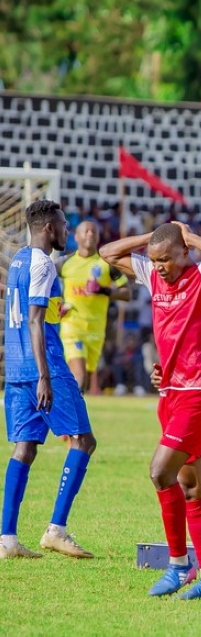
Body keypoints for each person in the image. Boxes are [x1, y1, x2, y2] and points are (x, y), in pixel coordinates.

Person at [100, 222, 201, 598]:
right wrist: (154, 238)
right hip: (172, 391)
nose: (158, 266)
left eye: (166, 259)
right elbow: (107, 253)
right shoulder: (153, 274)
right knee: (191, 485)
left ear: (184, 254)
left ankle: (178, 565)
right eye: (155, 260)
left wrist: (185, 235)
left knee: (161, 472)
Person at [2, 200, 97, 559]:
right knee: (84, 441)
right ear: (48, 229)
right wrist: (45, 375)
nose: (67, 231)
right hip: (47, 367)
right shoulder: (42, 263)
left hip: (15, 367)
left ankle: (7, 540)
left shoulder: (19, 261)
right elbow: (34, 321)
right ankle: (56, 529)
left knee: (25, 447)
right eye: (63, 225)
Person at [57, 220, 131, 392]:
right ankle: (68, 417)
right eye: (86, 231)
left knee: (86, 382)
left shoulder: (106, 265)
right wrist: (56, 304)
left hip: (96, 330)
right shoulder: (64, 264)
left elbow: (127, 293)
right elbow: (45, 285)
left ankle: (70, 412)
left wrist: (104, 290)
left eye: (94, 232)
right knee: (79, 375)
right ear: (76, 237)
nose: (90, 234)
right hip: (72, 326)